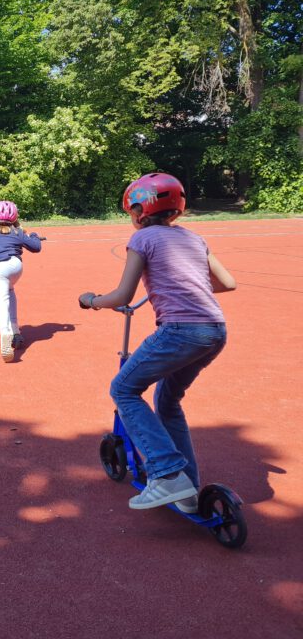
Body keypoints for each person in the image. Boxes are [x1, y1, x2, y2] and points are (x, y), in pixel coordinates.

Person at [79, 173, 236, 512]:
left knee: (123, 389)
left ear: (139, 210)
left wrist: (91, 300)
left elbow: (123, 294)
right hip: (214, 330)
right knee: (167, 402)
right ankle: (188, 490)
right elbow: (227, 283)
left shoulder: (143, 239)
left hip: (180, 331)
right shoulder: (194, 239)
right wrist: (176, 286)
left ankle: (166, 475)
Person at [0, 200, 42, 362]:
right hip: (16, 267)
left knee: (2, 302)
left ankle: (5, 334)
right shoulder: (17, 232)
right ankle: (16, 332)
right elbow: (36, 247)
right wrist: (32, 235)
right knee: (10, 292)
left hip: (0, 269)